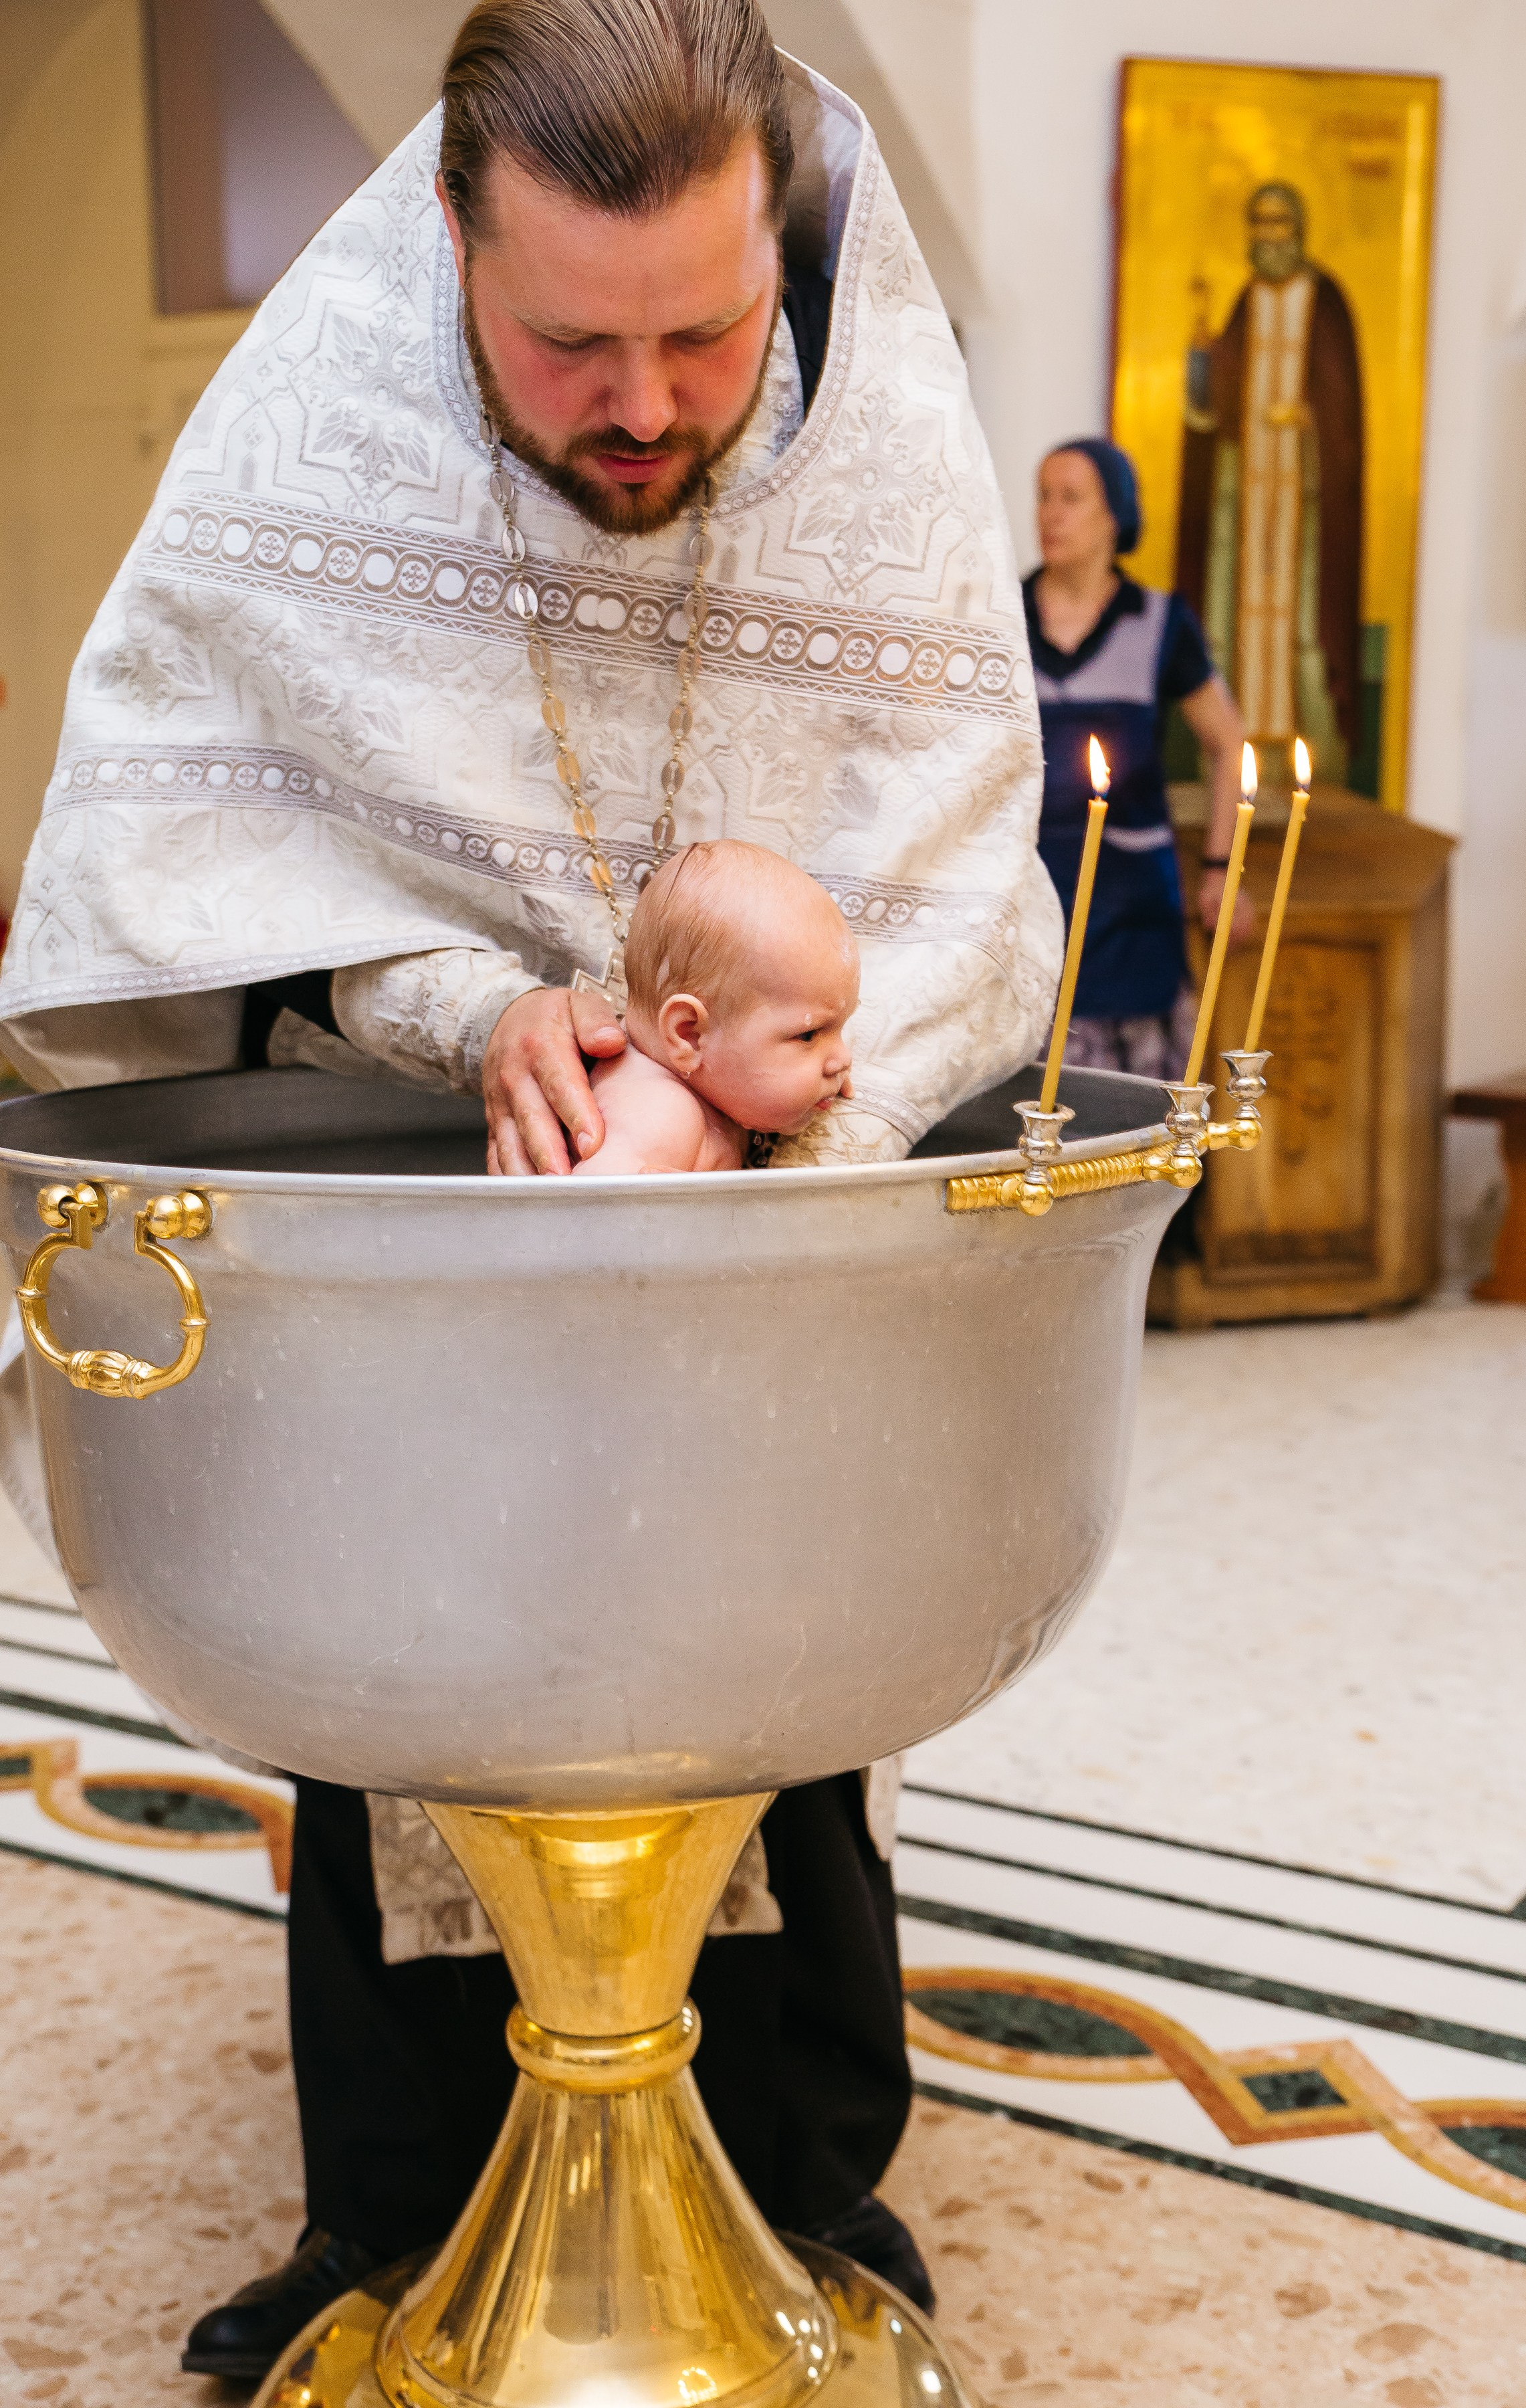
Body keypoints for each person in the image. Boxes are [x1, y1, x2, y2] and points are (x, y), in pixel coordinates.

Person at [0, 0, 1061, 2379]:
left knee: (777, 1680)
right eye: (569, 343)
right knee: (401, 1698)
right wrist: (475, 1016)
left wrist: (762, 1107)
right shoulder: (318, 415)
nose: (649, 401)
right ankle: (394, 2223)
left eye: (703, 331)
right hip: (430, 1233)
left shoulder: (872, 423)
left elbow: (973, 890)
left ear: (776, 246)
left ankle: (792, 2184)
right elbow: (184, 873)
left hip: (766, 1242)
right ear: (449, 251)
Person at [1026, 437, 1250, 1081]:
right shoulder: (1002, 614)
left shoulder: (1158, 621)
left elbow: (1230, 742)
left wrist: (1219, 869)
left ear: (1115, 516)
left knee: (1133, 1109)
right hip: (1033, 893)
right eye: (1044, 496)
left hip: (1129, 904)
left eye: (1072, 498)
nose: (1051, 514)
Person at [1175, 182, 1364, 784]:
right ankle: (1235, 756)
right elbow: (1214, 411)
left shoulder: (1326, 302)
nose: (1268, 237)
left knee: (1302, 627)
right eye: (1259, 225)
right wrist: (1202, 363)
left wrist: (1308, 415)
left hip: (1303, 498)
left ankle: (1309, 765)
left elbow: (1345, 413)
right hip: (1247, 498)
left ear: (1300, 230)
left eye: (1279, 225)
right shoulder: (1245, 302)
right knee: (1236, 620)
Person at [574, 841, 859, 1175]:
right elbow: (584, 1210)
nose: (843, 1059)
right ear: (689, 1034)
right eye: (808, 1034)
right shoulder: (660, 1113)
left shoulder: (706, 1087)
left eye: (840, 1029)